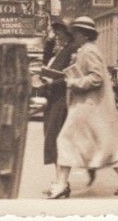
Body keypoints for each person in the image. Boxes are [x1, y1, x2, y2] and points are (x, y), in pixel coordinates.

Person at [48, 16, 118, 199]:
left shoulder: (88, 51)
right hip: (88, 106)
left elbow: (96, 78)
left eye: (76, 33)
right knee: (101, 143)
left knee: (64, 141)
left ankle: (62, 185)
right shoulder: (88, 50)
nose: (74, 36)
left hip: (85, 107)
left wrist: (72, 82)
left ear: (83, 34)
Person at [40, 18, 79, 195]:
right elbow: (45, 64)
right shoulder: (60, 50)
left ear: (68, 33)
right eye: (55, 32)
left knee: (60, 140)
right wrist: (48, 43)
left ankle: (62, 183)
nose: (56, 35)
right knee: (52, 140)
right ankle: (59, 181)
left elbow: (71, 76)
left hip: (63, 100)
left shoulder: (73, 50)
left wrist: (50, 83)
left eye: (59, 31)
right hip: (53, 99)